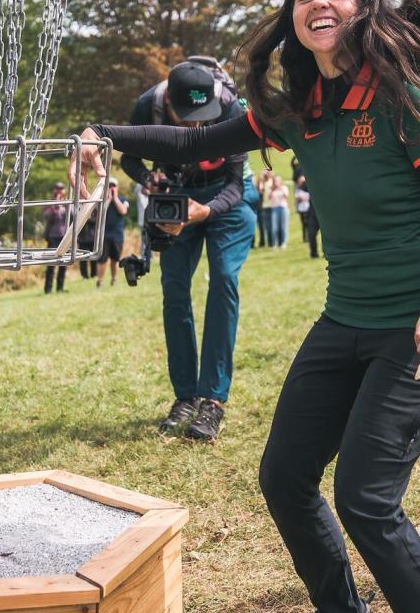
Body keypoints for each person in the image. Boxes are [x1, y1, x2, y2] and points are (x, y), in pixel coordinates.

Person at [75, 0, 420, 613]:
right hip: (346, 321)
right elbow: (197, 141)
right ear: (292, 18)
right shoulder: (301, 109)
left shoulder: (404, 96)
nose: (320, 2)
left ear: (363, 7)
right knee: (284, 475)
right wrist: (108, 132)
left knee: (369, 503)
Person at [122, 57, 256, 442]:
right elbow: (130, 157)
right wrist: (150, 179)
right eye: (189, 116)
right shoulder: (147, 106)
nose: (198, 124)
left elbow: (236, 184)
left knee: (224, 281)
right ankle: (184, 397)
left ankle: (212, 401)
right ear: (169, 104)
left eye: (204, 114)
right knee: (175, 291)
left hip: (225, 201)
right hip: (175, 199)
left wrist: (207, 210)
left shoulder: (230, 105)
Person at [93, 178, 129, 287]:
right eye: (109, 186)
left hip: (117, 236)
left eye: (113, 186)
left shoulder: (123, 200)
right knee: (102, 260)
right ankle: (100, 281)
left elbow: (123, 211)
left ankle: (114, 279)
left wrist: (115, 198)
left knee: (115, 259)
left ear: (117, 187)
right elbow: (100, 213)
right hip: (103, 236)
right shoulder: (101, 200)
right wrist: (108, 200)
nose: (111, 188)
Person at [43, 182, 69, 293]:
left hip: (65, 238)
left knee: (63, 263)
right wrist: (55, 204)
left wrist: (64, 204)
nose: (59, 190)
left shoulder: (68, 202)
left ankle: (60, 288)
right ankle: (48, 289)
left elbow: (73, 214)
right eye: (57, 188)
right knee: (51, 264)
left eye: (61, 188)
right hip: (53, 237)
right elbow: (46, 216)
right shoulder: (50, 204)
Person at [295, 175, 320, 258]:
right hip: (312, 213)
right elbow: (302, 187)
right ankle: (314, 253)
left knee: (327, 235)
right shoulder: (310, 181)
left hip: (323, 213)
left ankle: (326, 253)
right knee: (311, 234)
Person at [266, 173, 290, 248]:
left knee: (283, 226)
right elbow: (269, 198)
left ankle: (283, 243)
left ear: (280, 181)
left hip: (283, 208)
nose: (276, 182)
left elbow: (286, 196)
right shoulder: (271, 188)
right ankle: (275, 244)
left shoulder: (284, 187)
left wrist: (280, 187)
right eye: (275, 180)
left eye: (277, 180)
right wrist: (273, 189)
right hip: (274, 209)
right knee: (274, 227)